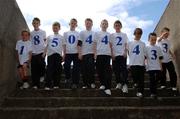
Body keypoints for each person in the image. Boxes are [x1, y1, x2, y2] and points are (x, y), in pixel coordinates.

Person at [43, 22, 65, 90]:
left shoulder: (61, 37)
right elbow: (46, 46)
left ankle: (56, 84)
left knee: (57, 70)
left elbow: (64, 46)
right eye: (54, 28)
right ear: (52, 28)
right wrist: (44, 53)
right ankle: (47, 85)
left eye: (56, 28)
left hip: (58, 55)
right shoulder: (49, 37)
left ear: (59, 28)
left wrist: (64, 55)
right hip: (50, 55)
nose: (55, 29)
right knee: (49, 69)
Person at [94, 19, 112, 96]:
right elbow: (94, 44)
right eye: (103, 23)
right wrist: (95, 53)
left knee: (107, 71)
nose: (104, 25)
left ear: (107, 25)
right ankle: (103, 84)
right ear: (100, 25)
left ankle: (108, 88)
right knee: (99, 70)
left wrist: (111, 54)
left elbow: (111, 45)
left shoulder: (109, 34)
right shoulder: (97, 33)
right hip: (99, 54)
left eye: (106, 24)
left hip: (107, 54)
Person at [110, 20, 128, 93]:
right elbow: (110, 45)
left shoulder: (124, 34)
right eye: (116, 25)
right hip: (115, 55)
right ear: (114, 27)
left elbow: (126, 44)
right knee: (116, 70)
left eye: (118, 25)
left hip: (122, 55)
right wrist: (112, 54)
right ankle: (119, 83)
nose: (117, 27)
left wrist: (125, 52)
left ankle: (125, 84)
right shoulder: (112, 35)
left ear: (121, 26)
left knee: (124, 70)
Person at [157, 27, 177, 91]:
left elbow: (168, 49)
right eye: (165, 33)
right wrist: (163, 35)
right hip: (162, 60)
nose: (167, 34)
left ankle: (173, 85)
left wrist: (172, 54)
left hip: (168, 59)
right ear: (162, 33)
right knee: (163, 73)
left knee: (172, 72)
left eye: (168, 33)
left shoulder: (168, 41)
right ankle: (163, 85)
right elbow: (158, 40)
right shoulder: (159, 39)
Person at [128, 28, 146, 97]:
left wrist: (144, 62)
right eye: (137, 33)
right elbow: (128, 52)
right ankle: (135, 82)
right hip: (133, 63)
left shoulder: (143, 44)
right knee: (134, 76)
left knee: (141, 79)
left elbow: (144, 54)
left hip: (141, 63)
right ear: (134, 33)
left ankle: (140, 92)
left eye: (140, 33)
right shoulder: (130, 43)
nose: (138, 35)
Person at [63, 18, 81, 89]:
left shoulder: (78, 33)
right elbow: (64, 44)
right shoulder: (65, 33)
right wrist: (64, 54)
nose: (73, 24)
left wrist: (79, 53)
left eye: (74, 23)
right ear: (69, 24)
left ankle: (75, 83)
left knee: (76, 68)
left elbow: (79, 44)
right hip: (68, 53)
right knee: (66, 65)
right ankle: (68, 78)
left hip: (76, 53)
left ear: (76, 25)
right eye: (72, 23)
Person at [79, 18, 96, 89]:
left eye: (89, 23)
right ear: (85, 24)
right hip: (84, 53)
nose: (88, 24)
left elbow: (96, 44)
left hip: (91, 53)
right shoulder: (82, 32)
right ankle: (85, 84)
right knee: (84, 69)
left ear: (92, 24)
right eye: (87, 23)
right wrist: (80, 53)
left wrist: (95, 53)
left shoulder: (95, 33)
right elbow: (79, 44)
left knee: (91, 68)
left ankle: (92, 82)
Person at [30, 17, 46, 89]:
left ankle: (42, 75)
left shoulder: (43, 32)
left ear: (39, 24)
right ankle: (35, 85)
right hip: (33, 53)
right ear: (32, 24)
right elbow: (30, 43)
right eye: (34, 23)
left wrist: (45, 52)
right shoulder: (31, 33)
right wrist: (30, 53)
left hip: (41, 52)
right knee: (34, 69)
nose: (35, 24)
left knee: (42, 65)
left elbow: (45, 42)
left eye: (37, 23)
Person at [146, 32, 163, 98]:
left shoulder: (158, 47)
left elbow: (160, 58)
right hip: (150, 67)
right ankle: (153, 93)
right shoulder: (146, 47)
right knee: (152, 80)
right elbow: (145, 57)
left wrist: (161, 66)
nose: (153, 41)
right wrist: (146, 65)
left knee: (159, 77)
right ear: (148, 39)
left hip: (158, 66)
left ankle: (154, 87)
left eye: (155, 40)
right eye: (152, 39)